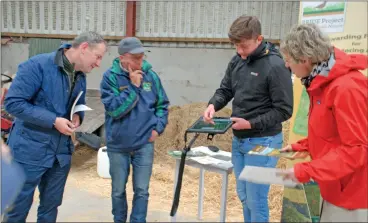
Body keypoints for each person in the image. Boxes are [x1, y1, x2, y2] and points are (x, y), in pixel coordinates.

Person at [3, 31, 107, 222]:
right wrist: (53, 120)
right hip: (30, 150)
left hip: (60, 153)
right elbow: (14, 103)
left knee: (50, 207)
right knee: (18, 206)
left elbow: (78, 102)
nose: (98, 63)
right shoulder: (37, 66)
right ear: (84, 48)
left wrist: (77, 115)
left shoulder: (80, 75)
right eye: (98, 57)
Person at [203, 15, 293, 222]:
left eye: (243, 46)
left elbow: (284, 110)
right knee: (244, 196)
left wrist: (251, 123)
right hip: (240, 140)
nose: (239, 51)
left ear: (259, 39)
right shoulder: (237, 60)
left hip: (264, 141)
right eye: (235, 46)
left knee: (256, 200)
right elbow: (225, 89)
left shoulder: (275, 66)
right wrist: (212, 104)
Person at [279, 23, 367, 222]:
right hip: (335, 185)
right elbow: (332, 133)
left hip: (353, 194)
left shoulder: (346, 88)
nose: (287, 66)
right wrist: (303, 145)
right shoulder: (320, 81)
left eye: (288, 60)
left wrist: (305, 171)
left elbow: (357, 149)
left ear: (305, 59)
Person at [100, 37, 170, 223]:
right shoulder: (110, 78)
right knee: (118, 190)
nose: (140, 61)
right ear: (123, 58)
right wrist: (133, 86)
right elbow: (115, 110)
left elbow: (162, 105)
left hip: (144, 145)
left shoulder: (151, 76)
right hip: (118, 146)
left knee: (141, 190)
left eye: (142, 56)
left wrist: (158, 129)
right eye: (135, 58)